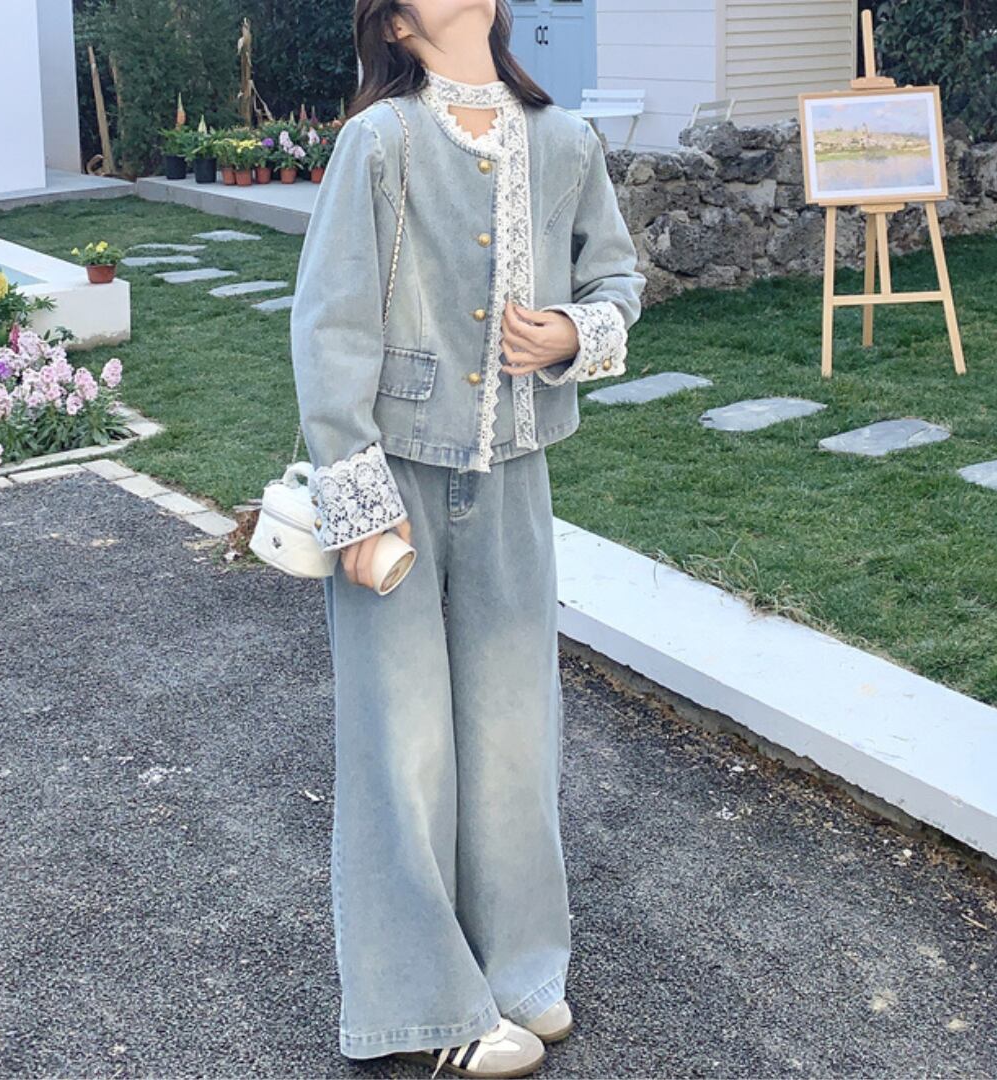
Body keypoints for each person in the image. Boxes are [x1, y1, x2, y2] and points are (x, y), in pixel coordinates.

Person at [289, 1, 646, 1075]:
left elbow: (618, 280)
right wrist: (358, 500)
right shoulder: (379, 142)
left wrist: (575, 331)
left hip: (515, 476)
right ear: (395, 26)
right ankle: (422, 1006)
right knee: (399, 746)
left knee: (514, 733)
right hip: (393, 476)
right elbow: (330, 321)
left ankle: (520, 972)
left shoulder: (566, 141)